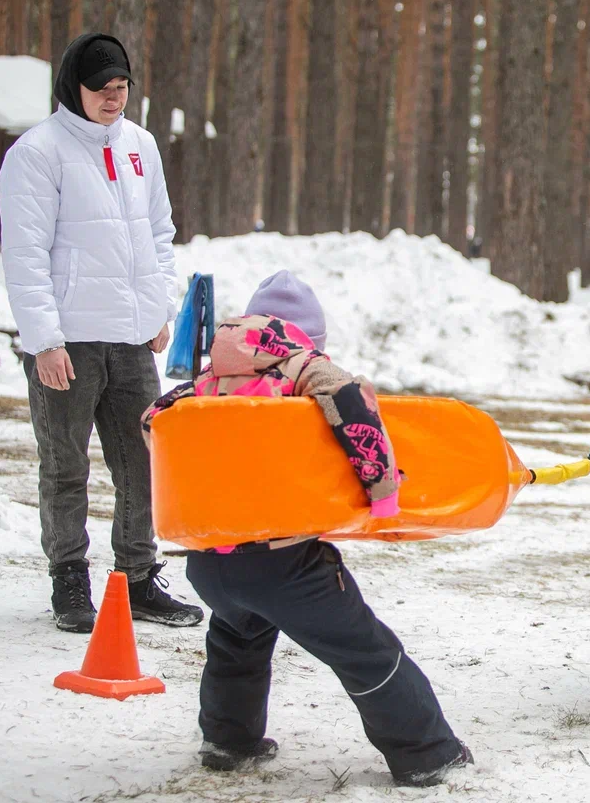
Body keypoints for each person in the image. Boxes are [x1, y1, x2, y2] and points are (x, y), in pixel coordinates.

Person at [140, 271, 473, 786]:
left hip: (212, 560)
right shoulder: (306, 367)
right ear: (307, 338)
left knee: (237, 641)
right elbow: (352, 410)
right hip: (284, 561)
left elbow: (153, 418)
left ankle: (228, 742)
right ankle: (426, 752)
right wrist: (382, 493)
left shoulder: (209, 380)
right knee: (364, 650)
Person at [0, 32, 202, 633]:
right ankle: (68, 581)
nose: (114, 100)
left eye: (122, 89)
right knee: (66, 466)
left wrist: (158, 307)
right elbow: (25, 255)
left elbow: (160, 231)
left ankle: (137, 580)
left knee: (142, 463)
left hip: (131, 338)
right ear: (73, 88)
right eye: (102, 89)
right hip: (69, 340)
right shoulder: (37, 153)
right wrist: (44, 340)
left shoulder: (140, 145)